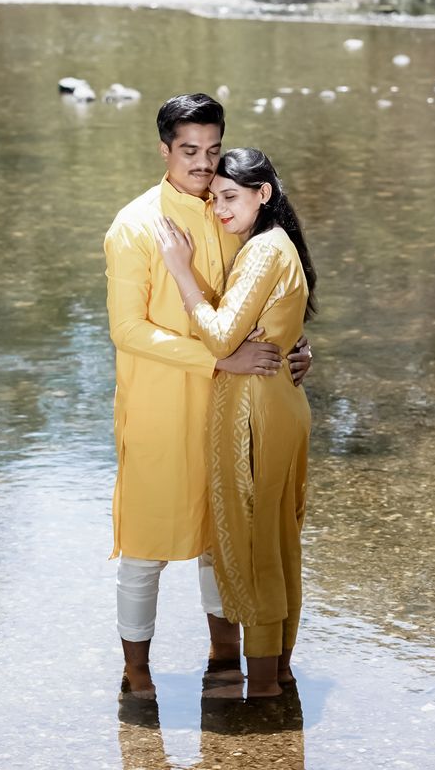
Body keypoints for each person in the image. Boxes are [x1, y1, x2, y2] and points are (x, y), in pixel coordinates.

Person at [105, 94, 312, 700]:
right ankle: (136, 671)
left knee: (224, 537)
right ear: (164, 149)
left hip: (235, 409)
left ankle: (225, 656)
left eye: (212, 150)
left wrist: (294, 347)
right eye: (189, 151)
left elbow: (266, 297)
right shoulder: (136, 227)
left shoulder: (229, 207)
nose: (201, 164)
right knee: (145, 543)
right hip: (160, 405)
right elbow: (127, 330)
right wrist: (216, 358)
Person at [154, 147, 315, 698]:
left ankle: (264, 688)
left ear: (262, 194)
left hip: (256, 410)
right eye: (214, 198)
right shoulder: (276, 247)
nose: (220, 209)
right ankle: (279, 675)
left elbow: (222, 337)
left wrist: (181, 272)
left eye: (231, 197)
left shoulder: (264, 250)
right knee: (276, 537)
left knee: (254, 544)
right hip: (277, 403)